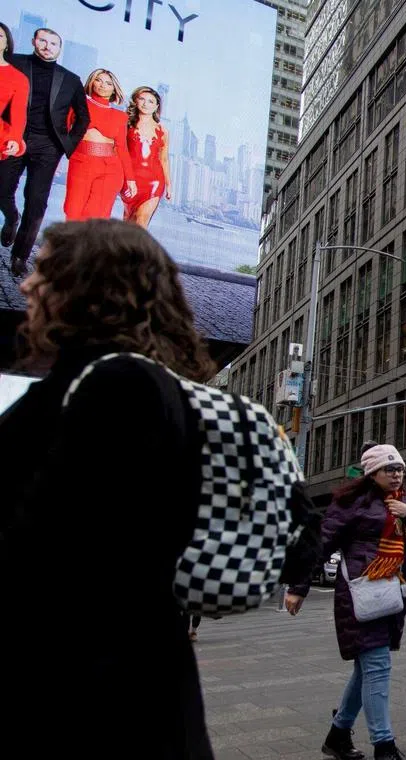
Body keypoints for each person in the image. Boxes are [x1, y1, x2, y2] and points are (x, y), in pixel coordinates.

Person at [0, 219, 217, 756]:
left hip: (96, 701)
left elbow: (54, 547)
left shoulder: (119, 387)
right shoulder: (128, 382)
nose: (27, 286)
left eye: (44, 272)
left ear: (90, 285)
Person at [285, 444, 406, 760]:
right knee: (377, 665)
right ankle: (384, 745)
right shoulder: (350, 503)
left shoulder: (404, 501)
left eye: (399, 470)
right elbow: (320, 544)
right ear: (372, 473)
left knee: (366, 669)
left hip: (393, 593)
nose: (396, 475)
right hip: (360, 595)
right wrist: (298, 586)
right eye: (389, 470)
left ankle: (338, 735)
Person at [0, 28, 89, 276]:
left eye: (53, 43)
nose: (48, 46)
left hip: (48, 146)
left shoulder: (70, 79)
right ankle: (11, 218)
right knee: (2, 189)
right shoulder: (15, 63)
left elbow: (83, 118)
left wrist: (65, 147)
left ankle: (20, 256)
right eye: (43, 41)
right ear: (33, 41)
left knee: (37, 201)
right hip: (13, 138)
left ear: (59, 49)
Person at [63, 68, 137, 220]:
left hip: (110, 169)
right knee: (72, 210)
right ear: (91, 82)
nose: (103, 85)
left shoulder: (120, 116)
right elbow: (62, 132)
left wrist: (130, 179)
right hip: (80, 162)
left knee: (95, 215)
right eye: (99, 80)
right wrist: (56, 161)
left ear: (114, 89)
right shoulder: (77, 104)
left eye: (109, 83)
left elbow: (122, 149)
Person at [122, 86, 170, 229]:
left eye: (150, 101)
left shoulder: (163, 131)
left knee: (141, 221)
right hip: (129, 180)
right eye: (142, 99)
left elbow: (164, 159)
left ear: (156, 107)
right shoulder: (126, 124)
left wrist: (169, 185)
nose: (145, 104)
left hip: (154, 182)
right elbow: (119, 151)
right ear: (135, 101)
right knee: (128, 219)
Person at [0, 23, 29, 160]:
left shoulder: (18, 78)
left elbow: (18, 114)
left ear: (7, 44)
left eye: (0, 36)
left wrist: (15, 138)